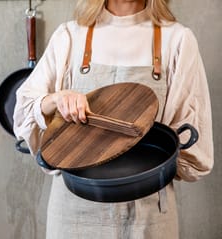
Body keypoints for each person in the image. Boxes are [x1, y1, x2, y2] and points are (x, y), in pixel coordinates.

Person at [13, 0, 214, 238]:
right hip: (74, 209)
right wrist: (55, 100)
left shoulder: (178, 40)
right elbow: (25, 108)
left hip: (148, 210)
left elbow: (193, 152)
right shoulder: (70, 36)